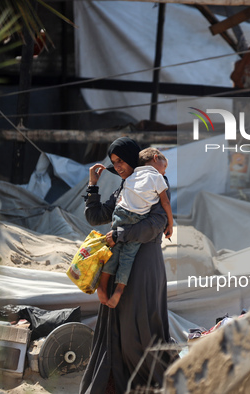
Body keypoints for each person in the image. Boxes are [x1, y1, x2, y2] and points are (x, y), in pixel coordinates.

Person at [79, 137, 176, 394]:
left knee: (141, 328)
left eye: (121, 161)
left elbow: (153, 226)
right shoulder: (123, 190)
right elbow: (95, 217)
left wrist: (120, 234)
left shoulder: (157, 183)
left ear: (134, 158)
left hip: (144, 265)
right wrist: (92, 185)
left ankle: (152, 385)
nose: (118, 167)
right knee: (115, 326)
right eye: (114, 163)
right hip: (120, 260)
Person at [96, 147, 174, 308]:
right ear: (155, 158)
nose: (164, 172)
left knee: (113, 253)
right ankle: (119, 290)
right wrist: (170, 223)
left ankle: (102, 286)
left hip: (120, 214)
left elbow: (122, 196)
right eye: (164, 167)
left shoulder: (131, 175)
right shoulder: (157, 177)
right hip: (137, 220)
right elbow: (165, 203)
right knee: (127, 257)